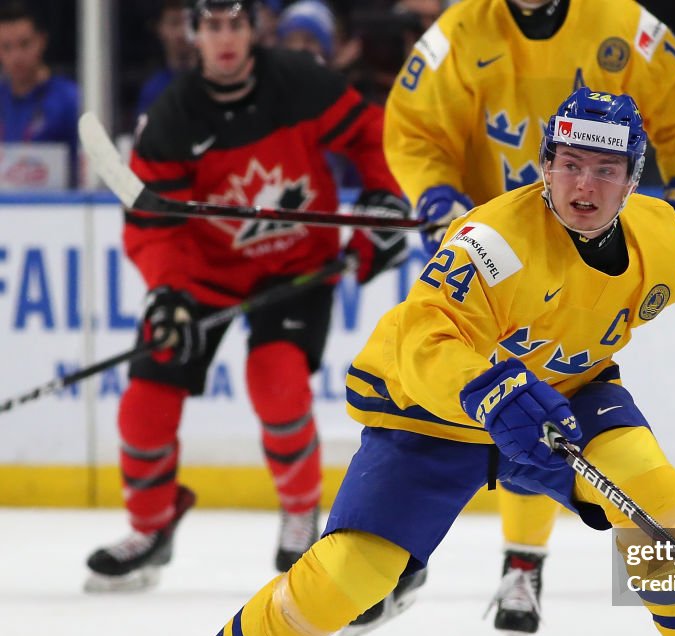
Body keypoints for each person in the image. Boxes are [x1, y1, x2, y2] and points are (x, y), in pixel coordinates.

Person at [143, 88, 675, 636]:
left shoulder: (660, 236)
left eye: (606, 170)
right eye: (571, 163)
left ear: (631, 179)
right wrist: (489, 390)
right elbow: (426, 338)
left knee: (652, 492)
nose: (585, 184)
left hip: (566, 397)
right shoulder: (491, 242)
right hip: (435, 415)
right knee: (351, 573)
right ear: (544, 165)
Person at [357, 0, 675, 636]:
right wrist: (436, 194)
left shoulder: (620, 23)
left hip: (580, 247)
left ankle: (521, 562)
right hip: (498, 249)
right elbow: (414, 126)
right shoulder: (460, 31)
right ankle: (401, 548)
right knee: (490, 399)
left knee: (545, 401)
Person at [84, 0, 408, 592]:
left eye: (235, 24)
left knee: (277, 381)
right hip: (203, 279)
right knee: (144, 407)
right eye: (213, 26)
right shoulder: (174, 115)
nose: (225, 38)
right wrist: (167, 293)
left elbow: (370, 137)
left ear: (253, 29)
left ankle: (299, 512)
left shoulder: (301, 82)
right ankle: (152, 526)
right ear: (194, 34)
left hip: (296, 267)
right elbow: (155, 226)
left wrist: (384, 199)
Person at [0, 1, 79, 187]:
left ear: (41, 41)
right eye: (6, 47)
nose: (16, 56)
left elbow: (84, 169)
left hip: (56, 207)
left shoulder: (69, 99)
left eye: (24, 44)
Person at [136, 0, 197, 119]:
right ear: (159, 28)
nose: (182, 32)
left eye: (188, 23)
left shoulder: (217, 81)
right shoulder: (153, 90)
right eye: (174, 23)